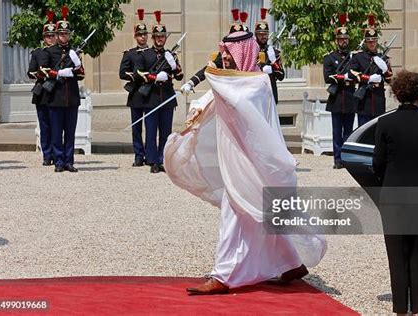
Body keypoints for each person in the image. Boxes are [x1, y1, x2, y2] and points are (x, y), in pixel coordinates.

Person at [164, 29, 326, 295]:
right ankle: (291, 264)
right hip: (236, 156)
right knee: (260, 213)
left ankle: (222, 275)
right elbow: (222, 96)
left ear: (243, 52)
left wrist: (210, 79)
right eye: (224, 52)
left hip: (253, 160)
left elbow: (238, 101)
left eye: (228, 53)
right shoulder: (231, 81)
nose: (223, 58)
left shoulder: (257, 82)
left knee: (236, 211)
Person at [373, 70, 418, 314]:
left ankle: (400, 309)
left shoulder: (385, 123)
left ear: (397, 94)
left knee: (397, 256)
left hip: (394, 193)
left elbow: (377, 161)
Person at [135, 11, 183, 173]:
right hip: (151, 99)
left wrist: (174, 65)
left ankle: (163, 159)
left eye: (162, 36)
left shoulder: (170, 55)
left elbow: (180, 75)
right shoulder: (145, 54)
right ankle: (152, 160)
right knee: (150, 131)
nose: (160, 39)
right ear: (153, 38)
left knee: (166, 132)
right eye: (157, 36)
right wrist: (155, 77)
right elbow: (139, 73)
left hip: (167, 98)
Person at [42, 6, 85, 173]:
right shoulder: (50, 51)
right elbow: (44, 71)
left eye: (66, 33)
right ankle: (59, 161)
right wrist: (59, 73)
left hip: (71, 96)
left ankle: (69, 161)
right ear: (57, 35)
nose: (63, 36)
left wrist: (77, 65)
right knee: (56, 132)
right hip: (55, 96)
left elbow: (81, 74)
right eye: (61, 33)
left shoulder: (74, 52)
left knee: (70, 132)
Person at [180, 9, 248, 95]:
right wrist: (191, 83)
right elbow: (209, 68)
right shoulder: (225, 54)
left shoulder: (250, 57)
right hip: (228, 92)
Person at [323, 13, 356, 169]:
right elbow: (328, 77)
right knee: (337, 132)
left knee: (348, 131)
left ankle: (346, 158)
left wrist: (349, 77)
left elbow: (357, 75)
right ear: (336, 41)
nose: (344, 42)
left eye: (346, 39)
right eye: (341, 39)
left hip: (350, 97)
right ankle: (337, 159)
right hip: (336, 98)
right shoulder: (329, 58)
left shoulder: (354, 57)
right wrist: (344, 77)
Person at [349, 14, 392, 126]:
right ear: (366, 42)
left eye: (374, 41)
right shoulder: (358, 57)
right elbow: (351, 73)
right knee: (363, 132)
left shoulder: (383, 58)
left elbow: (390, 80)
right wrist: (368, 78)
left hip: (378, 100)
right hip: (364, 101)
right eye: (369, 41)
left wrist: (385, 70)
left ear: (377, 41)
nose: (372, 43)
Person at [119, 9, 150, 167]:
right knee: (137, 127)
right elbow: (122, 73)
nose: (142, 37)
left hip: (150, 94)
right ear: (135, 36)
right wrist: (135, 76)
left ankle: (150, 154)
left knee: (151, 127)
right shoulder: (130, 54)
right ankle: (139, 155)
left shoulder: (153, 53)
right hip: (136, 94)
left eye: (145, 34)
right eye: (140, 34)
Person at [27, 10, 57, 166]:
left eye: (53, 36)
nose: (50, 39)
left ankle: (57, 152)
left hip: (56, 92)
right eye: (47, 36)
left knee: (56, 126)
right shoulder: (37, 53)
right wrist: (39, 74)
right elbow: (30, 72)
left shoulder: (60, 53)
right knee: (45, 125)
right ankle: (47, 154)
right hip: (42, 93)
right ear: (44, 37)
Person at [255, 7, 285, 105]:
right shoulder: (251, 51)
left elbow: (281, 76)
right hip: (255, 92)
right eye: (260, 34)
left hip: (270, 92)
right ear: (256, 35)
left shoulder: (273, 52)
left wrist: (273, 63)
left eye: (265, 34)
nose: (263, 36)